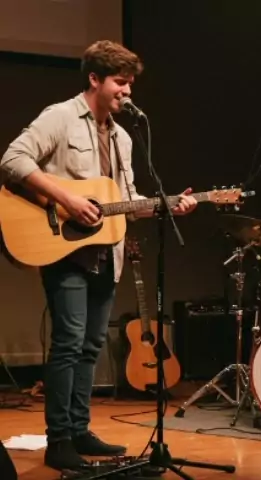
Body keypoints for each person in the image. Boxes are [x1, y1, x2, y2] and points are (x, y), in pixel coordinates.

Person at [0, 40, 197, 470]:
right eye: (120, 82)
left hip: (107, 253)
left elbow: (125, 200)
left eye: (130, 84)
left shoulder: (123, 137)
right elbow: (12, 159)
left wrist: (167, 205)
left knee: (90, 346)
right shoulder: (60, 117)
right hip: (66, 250)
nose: (127, 91)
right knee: (68, 344)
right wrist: (68, 200)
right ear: (95, 79)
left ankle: (80, 429)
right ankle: (58, 440)